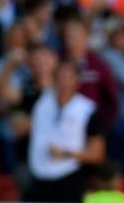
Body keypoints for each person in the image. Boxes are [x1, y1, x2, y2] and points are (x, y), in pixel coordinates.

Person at [26, 61, 106, 202]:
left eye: (68, 77)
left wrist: (65, 153)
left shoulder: (87, 110)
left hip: (67, 180)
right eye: (60, 76)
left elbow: (97, 154)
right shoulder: (41, 101)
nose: (63, 81)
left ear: (77, 81)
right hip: (37, 179)